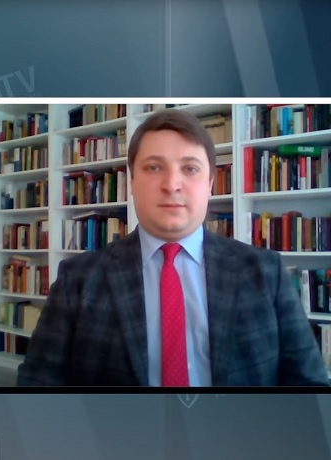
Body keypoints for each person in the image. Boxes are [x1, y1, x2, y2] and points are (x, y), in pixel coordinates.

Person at [17, 108, 329, 387]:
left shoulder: (267, 272)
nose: (171, 184)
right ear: (132, 182)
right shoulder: (77, 279)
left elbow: (308, 386)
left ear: (210, 184)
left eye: (190, 168)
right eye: (154, 167)